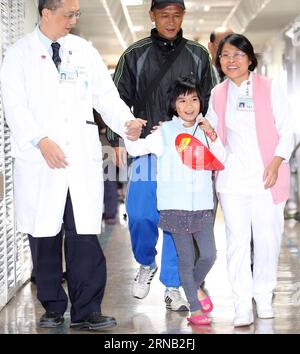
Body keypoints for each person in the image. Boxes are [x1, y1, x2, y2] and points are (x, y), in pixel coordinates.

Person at [0, 0, 145, 331]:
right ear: (46, 13)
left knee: (84, 236)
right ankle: (52, 305)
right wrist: (41, 140)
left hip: (79, 159)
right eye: (68, 14)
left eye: (77, 14)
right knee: (44, 236)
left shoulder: (83, 51)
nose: (74, 20)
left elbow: (105, 96)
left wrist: (127, 122)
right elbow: (14, 105)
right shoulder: (18, 55)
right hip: (40, 160)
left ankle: (87, 309)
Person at [107, 0, 215, 311]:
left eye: (177, 15)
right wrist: (115, 139)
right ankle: (145, 263)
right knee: (141, 213)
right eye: (164, 15)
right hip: (147, 149)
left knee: (176, 219)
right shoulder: (135, 54)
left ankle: (172, 284)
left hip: (184, 152)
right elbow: (115, 101)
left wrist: (206, 131)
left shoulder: (198, 55)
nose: (170, 21)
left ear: (184, 16)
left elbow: (210, 99)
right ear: (152, 15)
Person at [200, 33, 294, 327]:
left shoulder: (270, 87)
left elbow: (288, 129)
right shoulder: (218, 94)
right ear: (219, 61)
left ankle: (263, 296)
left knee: (268, 239)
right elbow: (213, 140)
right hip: (232, 180)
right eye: (225, 55)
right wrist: (210, 136)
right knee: (236, 243)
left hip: (267, 177)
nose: (231, 61)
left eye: (238, 55)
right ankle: (242, 303)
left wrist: (277, 161)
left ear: (250, 59)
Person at [125, 77, 220, 325]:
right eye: (182, 100)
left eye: (194, 99)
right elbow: (136, 150)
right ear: (174, 105)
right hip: (175, 209)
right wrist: (131, 133)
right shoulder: (165, 132)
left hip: (202, 208)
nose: (189, 105)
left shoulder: (205, 131)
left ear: (201, 102)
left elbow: (221, 158)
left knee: (209, 256)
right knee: (186, 261)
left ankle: (194, 289)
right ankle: (196, 311)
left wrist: (213, 135)